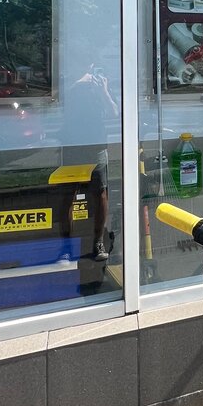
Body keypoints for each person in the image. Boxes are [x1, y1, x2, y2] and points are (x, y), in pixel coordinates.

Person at [68, 64, 118, 261]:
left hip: (96, 145)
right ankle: (66, 244)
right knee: (68, 194)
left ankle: (98, 241)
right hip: (72, 144)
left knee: (101, 193)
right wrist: (78, 83)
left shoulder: (98, 85)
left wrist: (103, 91)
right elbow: (59, 106)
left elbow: (114, 112)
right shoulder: (71, 83)